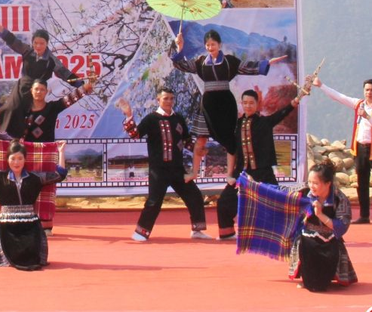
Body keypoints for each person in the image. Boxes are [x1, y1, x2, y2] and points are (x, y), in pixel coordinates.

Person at [171, 29, 286, 182]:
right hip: (207, 105)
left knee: (230, 140)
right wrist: (179, 46)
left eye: (213, 44)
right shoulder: (200, 62)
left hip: (225, 104)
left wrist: (267, 63)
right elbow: (181, 65)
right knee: (201, 139)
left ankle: (230, 175)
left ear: (219, 45)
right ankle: (194, 172)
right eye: (207, 45)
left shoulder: (229, 61)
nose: (210, 47)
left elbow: (247, 67)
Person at [118, 88, 210, 241]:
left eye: (171, 98)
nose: (169, 101)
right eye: (166, 98)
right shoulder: (151, 119)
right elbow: (135, 134)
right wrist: (129, 116)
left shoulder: (178, 118)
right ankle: (141, 233)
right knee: (154, 201)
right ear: (158, 99)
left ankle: (197, 230)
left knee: (195, 196)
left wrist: (198, 148)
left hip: (177, 169)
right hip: (158, 170)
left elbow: (186, 141)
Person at [0, 135, 67, 270]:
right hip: (7, 229)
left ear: (25, 160)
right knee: (6, 260)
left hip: (30, 228)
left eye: (20, 158)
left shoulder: (35, 178)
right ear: (7, 159)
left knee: (32, 260)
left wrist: (61, 152)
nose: (16, 162)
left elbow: (60, 175)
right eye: (13, 158)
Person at [216, 90, 299, 240]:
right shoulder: (236, 126)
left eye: (251, 103)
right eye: (245, 103)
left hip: (263, 172)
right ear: (241, 104)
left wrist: (297, 99)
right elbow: (231, 150)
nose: (248, 106)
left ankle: (289, 232)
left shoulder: (265, 122)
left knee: (278, 201)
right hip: (242, 174)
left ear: (257, 104)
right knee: (224, 202)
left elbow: (282, 113)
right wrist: (229, 175)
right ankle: (227, 233)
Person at [19, 75, 95, 235]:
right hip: (26, 153)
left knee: (46, 186)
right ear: (31, 91)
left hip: (47, 153)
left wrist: (85, 89)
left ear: (47, 91)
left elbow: (70, 99)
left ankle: (46, 224)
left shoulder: (52, 108)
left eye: (42, 89)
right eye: (36, 89)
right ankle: (23, 221)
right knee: (24, 186)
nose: (39, 92)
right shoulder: (22, 109)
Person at [0, 17, 81, 138]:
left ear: (47, 44)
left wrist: (80, 84)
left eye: (42, 43)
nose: (38, 46)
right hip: (21, 89)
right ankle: (17, 141)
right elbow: (13, 41)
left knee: (36, 118)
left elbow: (65, 73)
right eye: (36, 43)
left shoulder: (51, 60)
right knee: (10, 110)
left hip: (38, 91)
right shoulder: (27, 51)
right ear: (32, 42)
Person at [289, 161, 357, 291]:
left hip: (330, 238)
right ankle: (307, 277)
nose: (311, 186)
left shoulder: (339, 198)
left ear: (327, 183)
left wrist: (320, 214)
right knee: (304, 244)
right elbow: (279, 195)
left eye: (315, 183)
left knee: (330, 253)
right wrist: (255, 186)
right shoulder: (303, 194)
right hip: (307, 238)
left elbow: (341, 226)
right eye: (309, 182)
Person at [312, 75, 372, 224]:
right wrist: (321, 85)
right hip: (360, 148)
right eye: (367, 90)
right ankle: (364, 216)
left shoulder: (366, 110)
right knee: (362, 182)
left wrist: (367, 117)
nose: (369, 93)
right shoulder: (359, 104)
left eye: (371, 90)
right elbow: (339, 97)